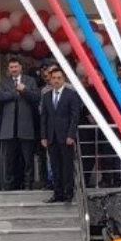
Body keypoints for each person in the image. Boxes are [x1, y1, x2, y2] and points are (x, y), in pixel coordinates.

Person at [40, 68, 84, 204]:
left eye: (59, 78)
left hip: (66, 137)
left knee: (67, 166)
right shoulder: (46, 96)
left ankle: (68, 193)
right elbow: (44, 118)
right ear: (51, 80)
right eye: (54, 78)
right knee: (55, 166)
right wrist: (43, 136)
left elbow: (75, 116)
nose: (56, 80)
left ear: (63, 79)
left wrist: (71, 134)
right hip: (51, 137)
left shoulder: (71, 95)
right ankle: (57, 193)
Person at [0, 60, 40, 191]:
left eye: (16, 67)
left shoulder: (30, 81)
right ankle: (9, 185)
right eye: (11, 67)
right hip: (9, 127)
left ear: (21, 67)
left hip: (25, 125)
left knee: (27, 158)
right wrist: (15, 94)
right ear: (9, 69)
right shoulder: (4, 82)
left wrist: (25, 90)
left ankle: (28, 184)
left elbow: (36, 98)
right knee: (9, 159)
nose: (14, 69)